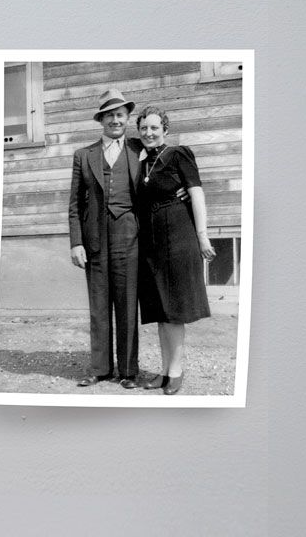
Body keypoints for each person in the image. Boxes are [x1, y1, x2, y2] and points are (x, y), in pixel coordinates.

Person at [136, 107, 216, 395]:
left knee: (174, 311)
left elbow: (196, 192)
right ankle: (164, 369)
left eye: (154, 128)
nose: (148, 133)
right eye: (144, 128)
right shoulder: (143, 162)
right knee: (160, 310)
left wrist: (202, 237)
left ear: (165, 130)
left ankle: (176, 371)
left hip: (178, 236)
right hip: (152, 242)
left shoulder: (178, 154)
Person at [68, 88, 143, 389]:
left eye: (120, 114)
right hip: (95, 238)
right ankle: (100, 369)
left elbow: (163, 174)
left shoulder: (140, 150)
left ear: (127, 118)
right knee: (99, 306)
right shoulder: (83, 155)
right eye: (110, 115)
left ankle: (128, 371)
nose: (115, 119)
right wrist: (76, 242)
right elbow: (75, 203)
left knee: (127, 305)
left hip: (129, 236)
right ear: (101, 120)